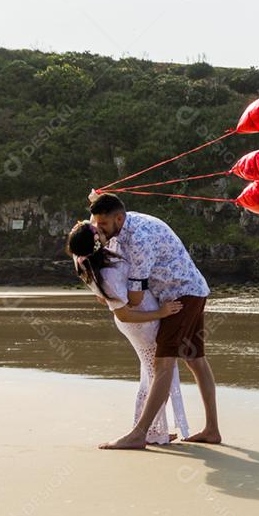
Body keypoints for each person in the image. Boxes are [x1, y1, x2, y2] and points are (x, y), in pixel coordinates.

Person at [87, 192, 222, 449]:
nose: (98, 230)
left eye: (102, 224)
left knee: (163, 365)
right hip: (192, 289)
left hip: (179, 295)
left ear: (118, 218)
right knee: (195, 359)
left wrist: (111, 295)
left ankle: (139, 434)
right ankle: (212, 430)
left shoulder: (139, 239)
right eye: (96, 223)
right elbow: (93, 226)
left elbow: (135, 299)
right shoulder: (122, 223)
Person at [66, 220, 189, 445]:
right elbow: (123, 314)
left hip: (140, 320)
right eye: (99, 231)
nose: (101, 229)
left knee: (152, 374)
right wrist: (161, 312)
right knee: (158, 375)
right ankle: (145, 432)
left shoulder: (90, 260)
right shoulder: (107, 273)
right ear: (96, 242)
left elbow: (89, 235)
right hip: (141, 322)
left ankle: (153, 430)